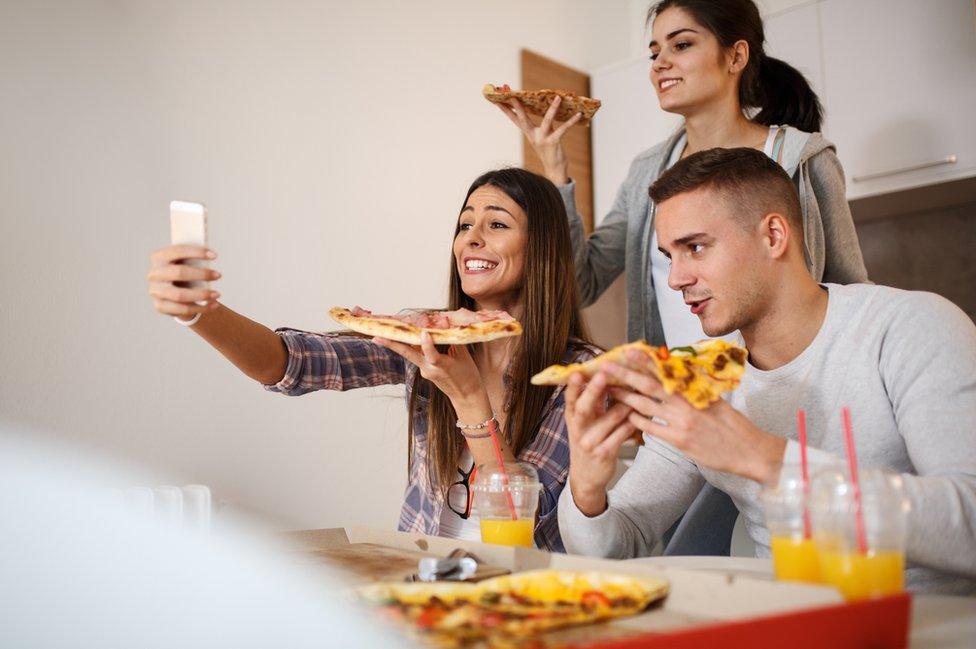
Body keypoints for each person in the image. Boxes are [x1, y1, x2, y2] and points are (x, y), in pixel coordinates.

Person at [495, 0, 869, 555]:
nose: (660, 63)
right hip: (683, 409)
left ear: (736, 55)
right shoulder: (650, 169)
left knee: (802, 548)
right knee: (666, 558)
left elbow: (849, 289)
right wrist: (555, 168)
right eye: (653, 51)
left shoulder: (798, 157)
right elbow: (585, 277)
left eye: (682, 44)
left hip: (780, 403)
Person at [558, 147, 976, 594]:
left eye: (695, 248)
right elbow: (618, 546)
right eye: (669, 256)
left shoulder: (910, 328)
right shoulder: (701, 374)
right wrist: (586, 486)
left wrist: (766, 459)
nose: (676, 278)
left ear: (774, 235)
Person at [146, 168, 596, 551]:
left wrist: (469, 399)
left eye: (496, 225)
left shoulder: (584, 374)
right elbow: (295, 363)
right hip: (424, 580)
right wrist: (201, 311)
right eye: (463, 226)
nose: (471, 240)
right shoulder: (426, 336)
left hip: (522, 595)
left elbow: (526, 519)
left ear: (542, 246)